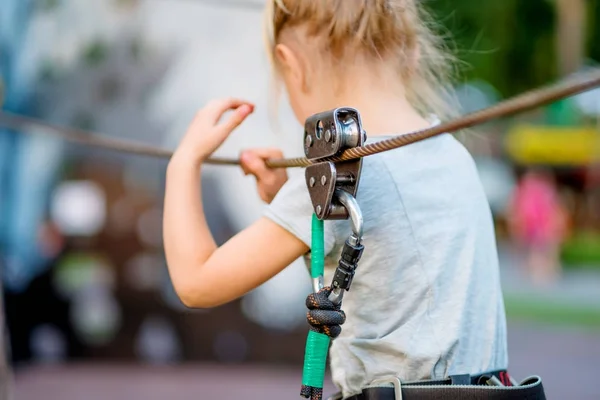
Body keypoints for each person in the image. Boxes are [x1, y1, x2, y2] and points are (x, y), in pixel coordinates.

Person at [163, 1, 508, 398]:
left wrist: (184, 163)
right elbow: (375, 267)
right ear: (411, 53)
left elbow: (196, 281)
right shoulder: (450, 152)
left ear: (293, 65)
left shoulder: (345, 172)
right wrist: (284, 197)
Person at [507, 169, 568, 285]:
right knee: (537, 251)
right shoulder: (535, 191)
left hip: (538, 225)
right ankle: (540, 274)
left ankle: (542, 274)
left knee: (540, 250)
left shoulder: (533, 190)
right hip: (535, 225)